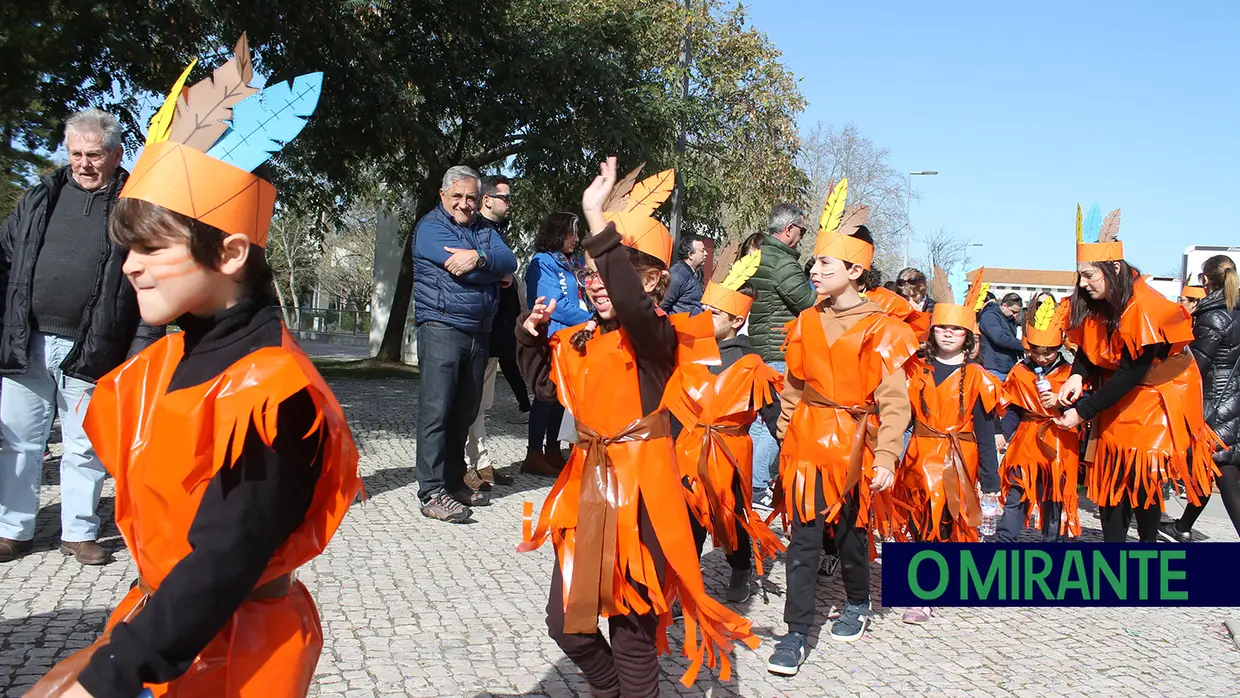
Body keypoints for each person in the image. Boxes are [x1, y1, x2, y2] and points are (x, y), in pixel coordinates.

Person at [32, 45, 361, 696]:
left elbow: (225, 555)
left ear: (232, 251)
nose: (131, 266)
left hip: (233, 654)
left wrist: (113, 674)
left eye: (153, 248)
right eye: (127, 249)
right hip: (162, 626)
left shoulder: (276, 393)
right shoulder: (162, 362)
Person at [517, 158, 758, 695]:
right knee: (568, 624)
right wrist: (529, 335)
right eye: (590, 272)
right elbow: (544, 389)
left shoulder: (659, 339)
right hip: (586, 489)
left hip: (646, 496)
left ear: (651, 280)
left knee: (632, 633)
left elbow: (630, 306)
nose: (598, 283)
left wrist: (594, 214)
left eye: (611, 272)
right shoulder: (578, 337)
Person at [0, 108, 164, 566]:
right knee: (19, 440)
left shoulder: (138, 208)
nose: (84, 164)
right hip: (25, 342)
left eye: (94, 155)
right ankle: (13, 530)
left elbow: (149, 283)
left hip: (95, 345)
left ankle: (78, 531)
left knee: (84, 445)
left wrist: (142, 349)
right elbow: (4, 262)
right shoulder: (38, 199)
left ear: (116, 155)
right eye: (76, 154)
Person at [767, 197, 918, 675]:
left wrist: (886, 457)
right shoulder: (807, 321)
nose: (813, 269)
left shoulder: (883, 328)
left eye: (824, 262)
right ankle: (795, 633)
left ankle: (857, 601)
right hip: (809, 443)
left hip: (856, 442)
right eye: (812, 260)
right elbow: (794, 385)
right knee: (804, 540)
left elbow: (895, 401)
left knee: (853, 534)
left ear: (855, 270)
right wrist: (785, 435)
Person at [1054, 205, 1220, 542]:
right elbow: (1092, 343)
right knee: (1110, 477)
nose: (1083, 284)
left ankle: (1145, 552)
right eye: (1080, 275)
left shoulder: (1146, 306)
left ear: (1114, 268)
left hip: (1157, 396)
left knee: (1143, 478)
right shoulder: (1100, 300)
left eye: (1090, 275)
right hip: (1119, 393)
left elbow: (1132, 371)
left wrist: (1082, 412)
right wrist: (1076, 374)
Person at [664, 277, 783, 605]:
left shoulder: (752, 365)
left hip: (730, 455)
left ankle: (740, 566)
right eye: (703, 310)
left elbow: (775, 416)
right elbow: (675, 406)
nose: (704, 318)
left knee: (731, 516)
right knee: (689, 520)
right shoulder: (690, 354)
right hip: (690, 448)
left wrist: (791, 451)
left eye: (714, 313)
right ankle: (684, 586)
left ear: (736, 320)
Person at [892, 279, 1002, 625]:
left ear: (968, 336)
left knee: (944, 522)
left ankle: (926, 590)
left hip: (959, 458)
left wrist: (990, 479)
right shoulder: (916, 371)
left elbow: (985, 431)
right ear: (932, 331)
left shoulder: (979, 377)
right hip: (919, 457)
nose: (949, 334)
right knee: (916, 520)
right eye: (943, 328)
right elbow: (902, 417)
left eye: (957, 329)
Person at [413, 165, 518, 522]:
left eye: (470, 197)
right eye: (456, 196)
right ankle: (431, 491)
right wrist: (491, 271)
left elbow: (509, 260)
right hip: (441, 327)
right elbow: (466, 273)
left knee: (464, 412)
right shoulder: (430, 228)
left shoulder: (483, 231)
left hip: (478, 331)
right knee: (437, 412)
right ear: (442, 196)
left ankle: (455, 482)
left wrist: (481, 258)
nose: (464, 204)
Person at [1163, 255, 1240, 540]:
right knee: (1210, 470)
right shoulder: (1234, 311)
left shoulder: (1213, 316)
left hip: (1213, 403)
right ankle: (1181, 527)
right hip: (1233, 401)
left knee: (1224, 475)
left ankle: (1181, 527)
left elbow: (1196, 366)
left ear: (1205, 280)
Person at [995, 297, 1081, 543]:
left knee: (1054, 497)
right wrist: (1002, 433)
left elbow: (1081, 407)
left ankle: (1054, 545)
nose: (1042, 358)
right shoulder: (1020, 372)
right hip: (1026, 441)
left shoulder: (1070, 374)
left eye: (1049, 352)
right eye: (1036, 352)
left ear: (1059, 348)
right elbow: (1013, 408)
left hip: (1059, 444)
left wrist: (1062, 402)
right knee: (1017, 494)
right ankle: (1004, 542)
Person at [747, 204, 815, 507]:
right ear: (788, 230)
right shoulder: (783, 264)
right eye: (801, 231)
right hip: (779, 350)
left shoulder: (760, 257)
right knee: (774, 424)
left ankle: (752, 484)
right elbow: (808, 303)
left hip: (760, 348)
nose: (801, 238)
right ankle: (757, 486)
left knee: (758, 423)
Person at [463, 175, 528, 491]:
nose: (510, 203)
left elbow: (506, 270)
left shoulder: (494, 233)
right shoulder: (475, 231)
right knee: (469, 402)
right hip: (479, 331)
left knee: (482, 403)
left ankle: (482, 462)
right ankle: (468, 465)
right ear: (487, 199)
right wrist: (496, 272)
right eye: (505, 197)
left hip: (496, 333)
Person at [522, 211, 591, 478]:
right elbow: (556, 305)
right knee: (545, 396)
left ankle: (553, 449)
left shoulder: (571, 261)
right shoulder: (543, 262)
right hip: (552, 336)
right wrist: (591, 319)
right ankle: (534, 454)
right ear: (557, 233)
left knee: (562, 399)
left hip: (571, 339)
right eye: (571, 232)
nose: (576, 238)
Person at [978, 291, 1024, 380]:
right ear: (1004, 306)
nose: (1015, 315)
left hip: (1005, 365)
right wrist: (1022, 345)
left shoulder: (1007, 318)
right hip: (994, 366)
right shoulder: (990, 315)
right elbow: (999, 338)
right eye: (1013, 311)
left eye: (1017, 312)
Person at [660, 234, 706, 315]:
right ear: (690, 255)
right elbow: (662, 306)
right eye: (702, 251)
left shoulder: (695, 274)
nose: (706, 254)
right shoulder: (677, 275)